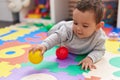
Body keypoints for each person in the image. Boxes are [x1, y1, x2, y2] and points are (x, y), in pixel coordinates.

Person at [30, 0, 106, 70]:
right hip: (62, 30)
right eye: (75, 23)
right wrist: (44, 46)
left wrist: (90, 58)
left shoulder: (100, 37)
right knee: (53, 32)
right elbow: (56, 37)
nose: (78, 28)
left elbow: (100, 51)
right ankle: (59, 24)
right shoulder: (68, 30)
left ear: (98, 26)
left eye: (85, 26)